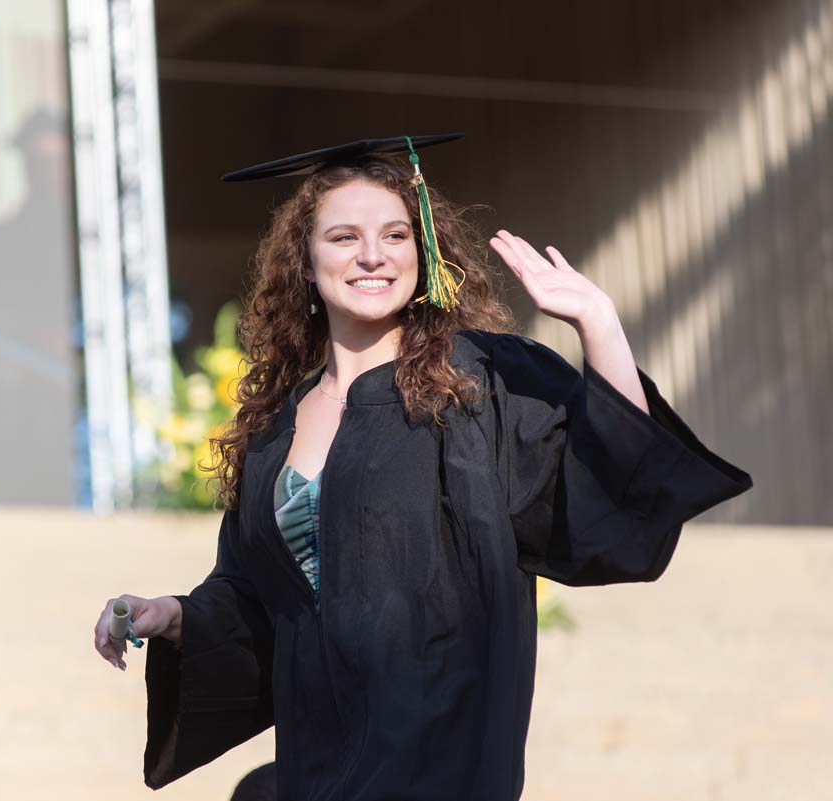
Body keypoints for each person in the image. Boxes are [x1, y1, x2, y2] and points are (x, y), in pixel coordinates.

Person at [92, 136, 752, 800]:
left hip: (442, 762)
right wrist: (172, 613)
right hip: (318, 767)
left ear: (423, 252)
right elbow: (262, 603)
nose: (373, 255)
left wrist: (599, 325)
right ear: (305, 261)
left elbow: (607, 490)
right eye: (344, 236)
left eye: (396, 234)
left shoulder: (476, 386)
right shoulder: (273, 432)